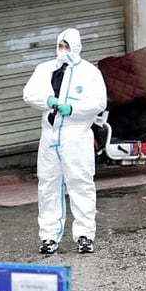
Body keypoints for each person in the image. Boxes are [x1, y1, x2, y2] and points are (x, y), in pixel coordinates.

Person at [22, 28, 107, 254]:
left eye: (67, 46)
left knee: (81, 185)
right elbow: (29, 93)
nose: (63, 51)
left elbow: (99, 102)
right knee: (48, 186)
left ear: (77, 47)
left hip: (76, 135)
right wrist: (48, 100)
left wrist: (74, 109)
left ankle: (85, 236)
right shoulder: (45, 69)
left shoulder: (90, 73)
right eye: (60, 46)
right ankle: (49, 237)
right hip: (50, 135)